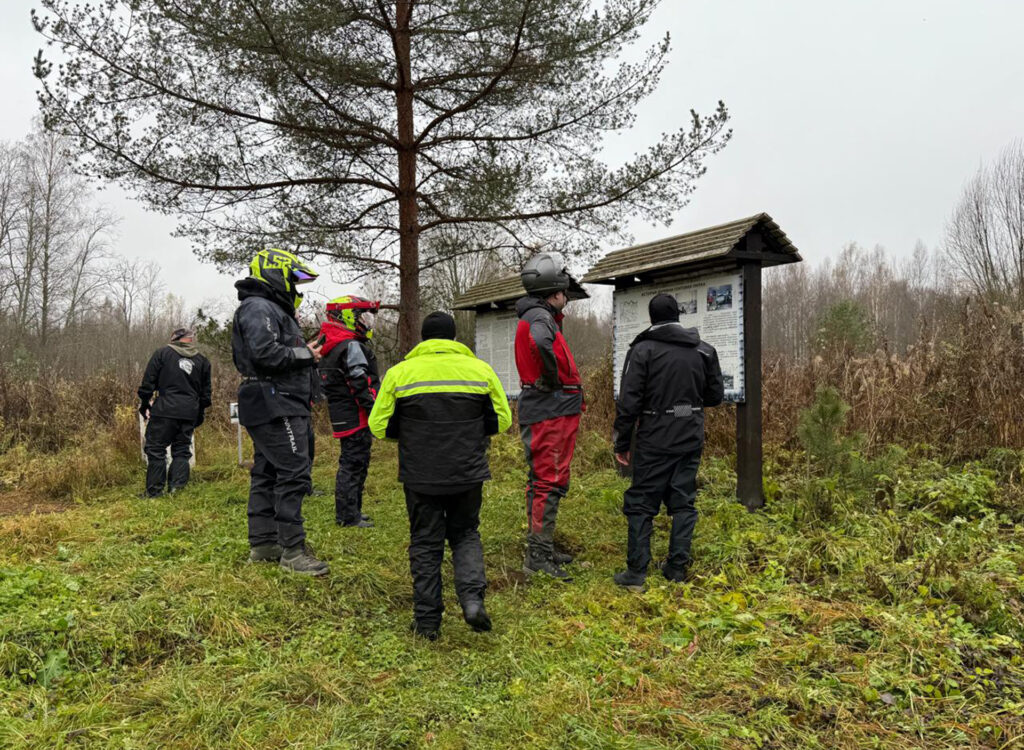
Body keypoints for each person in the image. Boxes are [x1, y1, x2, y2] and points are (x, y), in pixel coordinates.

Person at [369, 312, 512, 640]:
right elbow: (502, 421)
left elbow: (378, 426)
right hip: (468, 472)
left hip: (420, 475)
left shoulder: (399, 373)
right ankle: (473, 602)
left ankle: (428, 622)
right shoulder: (481, 370)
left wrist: (407, 438)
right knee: (465, 534)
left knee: (425, 542)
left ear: (423, 338)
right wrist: (476, 434)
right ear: (454, 338)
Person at [611, 293, 724, 591]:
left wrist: (622, 442)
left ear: (652, 318)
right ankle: (676, 568)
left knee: (641, 501)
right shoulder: (704, 350)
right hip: (690, 436)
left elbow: (629, 401)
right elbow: (714, 397)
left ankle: (636, 573)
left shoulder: (643, 350)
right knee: (683, 500)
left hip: (654, 437)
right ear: (678, 315)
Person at [231, 248, 328, 576]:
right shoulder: (259, 306)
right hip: (274, 399)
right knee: (293, 471)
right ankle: (292, 551)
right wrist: (304, 355)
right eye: (292, 281)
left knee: (267, 471)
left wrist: (302, 353)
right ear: (276, 274)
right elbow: (266, 352)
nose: (296, 290)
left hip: (273, 398)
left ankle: (264, 543)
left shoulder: (267, 307)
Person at [514, 252, 589, 580]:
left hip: (549, 409)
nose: (567, 298)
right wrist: (551, 379)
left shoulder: (537, 316)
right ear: (554, 292)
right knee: (549, 480)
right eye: (564, 293)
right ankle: (538, 556)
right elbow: (543, 344)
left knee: (542, 479)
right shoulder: (541, 320)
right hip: (551, 411)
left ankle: (541, 546)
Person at [318, 295, 381, 528]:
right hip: (356, 415)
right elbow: (360, 382)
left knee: (354, 463)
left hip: (342, 414)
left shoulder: (331, 344)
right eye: (362, 316)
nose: (366, 322)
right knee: (353, 465)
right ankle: (347, 516)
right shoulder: (351, 345)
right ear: (348, 317)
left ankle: (353, 509)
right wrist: (374, 410)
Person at [137, 327, 212, 497]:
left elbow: (148, 383)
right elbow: (206, 394)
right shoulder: (202, 361)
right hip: (189, 412)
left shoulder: (162, 354)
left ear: (174, 339)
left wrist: (144, 404)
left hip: (165, 410)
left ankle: (154, 492)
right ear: (190, 340)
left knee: (155, 448)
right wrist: (199, 413)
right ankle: (176, 490)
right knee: (182, 450)